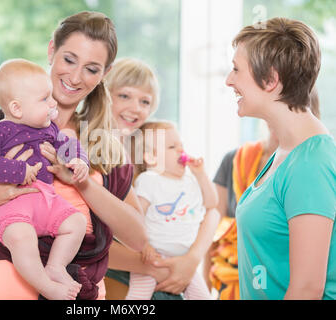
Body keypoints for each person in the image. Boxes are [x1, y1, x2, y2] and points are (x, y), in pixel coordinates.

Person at [0, 11, 147, 300]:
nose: (75, 76)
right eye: (69, 59)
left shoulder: (103, 144)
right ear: (51, 51)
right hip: (14, 286)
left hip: (83, 292)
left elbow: (138, 239)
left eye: (91, 69)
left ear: (105, 73)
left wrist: (82, 182)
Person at [226, 17, 335, 300]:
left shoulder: (310, 164)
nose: (229, 80)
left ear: (271, 80)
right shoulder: (287, 152)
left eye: (237, 70)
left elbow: (307, 290)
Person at [0, 58, 92, 300]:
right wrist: (18, 171)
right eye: (45, 99)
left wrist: (79, 160)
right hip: (13, 205)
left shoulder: (50, 129)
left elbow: (69, 145)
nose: (53, 103)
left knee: (76, 223)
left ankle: (56, 266)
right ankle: (47, 288)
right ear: (17, 108)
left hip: (46, 199)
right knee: (21, 239)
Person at [102, 58, 221, 300]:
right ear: (104, 95)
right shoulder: (94, 156)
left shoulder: (157, 148)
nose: (135, 108)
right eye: (124, 96)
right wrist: (157, 265)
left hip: (170, 269)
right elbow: (91, 245)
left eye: (144, 101)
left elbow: (212, 211)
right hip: (121, 274)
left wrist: (192, 260)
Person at [207, 87, 322, 300]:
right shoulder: (235, 159)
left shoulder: (308, 168)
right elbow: (212, 222)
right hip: (229, 278)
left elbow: (308, 281)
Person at [125, 121, 216, 300]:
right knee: (138, 297)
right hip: (154, 256)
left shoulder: (190, 181)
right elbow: (135, 218)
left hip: (185, 259)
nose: (181, 151)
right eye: (172, 147)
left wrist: (200, 174)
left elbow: (212, 202)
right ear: (151, 158)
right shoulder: (149, 180)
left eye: (182, 145)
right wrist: (144, 246)